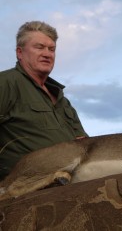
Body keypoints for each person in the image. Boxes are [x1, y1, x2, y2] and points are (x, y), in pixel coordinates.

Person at [0, 21, 88, 180]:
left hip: (72, 182)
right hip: (24, 187)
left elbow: (84, 143)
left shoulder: (62, 100)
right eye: (39, 47)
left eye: (52, 49)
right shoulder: (6, 83)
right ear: (19, 53)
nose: (47, 54)